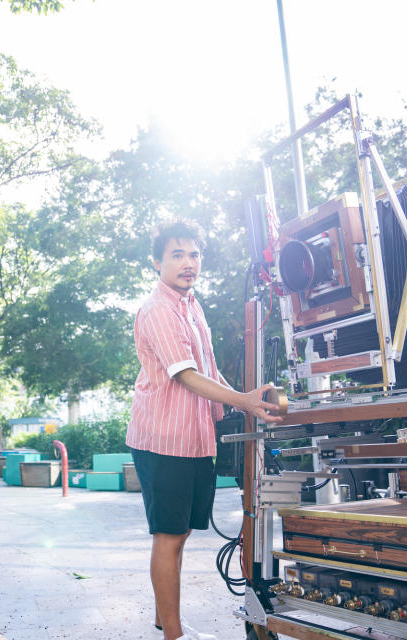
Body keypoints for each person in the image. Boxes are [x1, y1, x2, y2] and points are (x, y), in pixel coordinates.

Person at [126, 220, 281, 640]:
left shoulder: (191, 306)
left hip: (195, 439)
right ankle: (173, 635)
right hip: (163, 440)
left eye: (194, 254)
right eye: (177, 255)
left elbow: (210, 373)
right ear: (156, 262)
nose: (188, 263)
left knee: (182, 532)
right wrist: (244, 401)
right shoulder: (158, 308)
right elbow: (186, 375)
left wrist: (248, 399)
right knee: (169, 535)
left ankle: (165, 616)